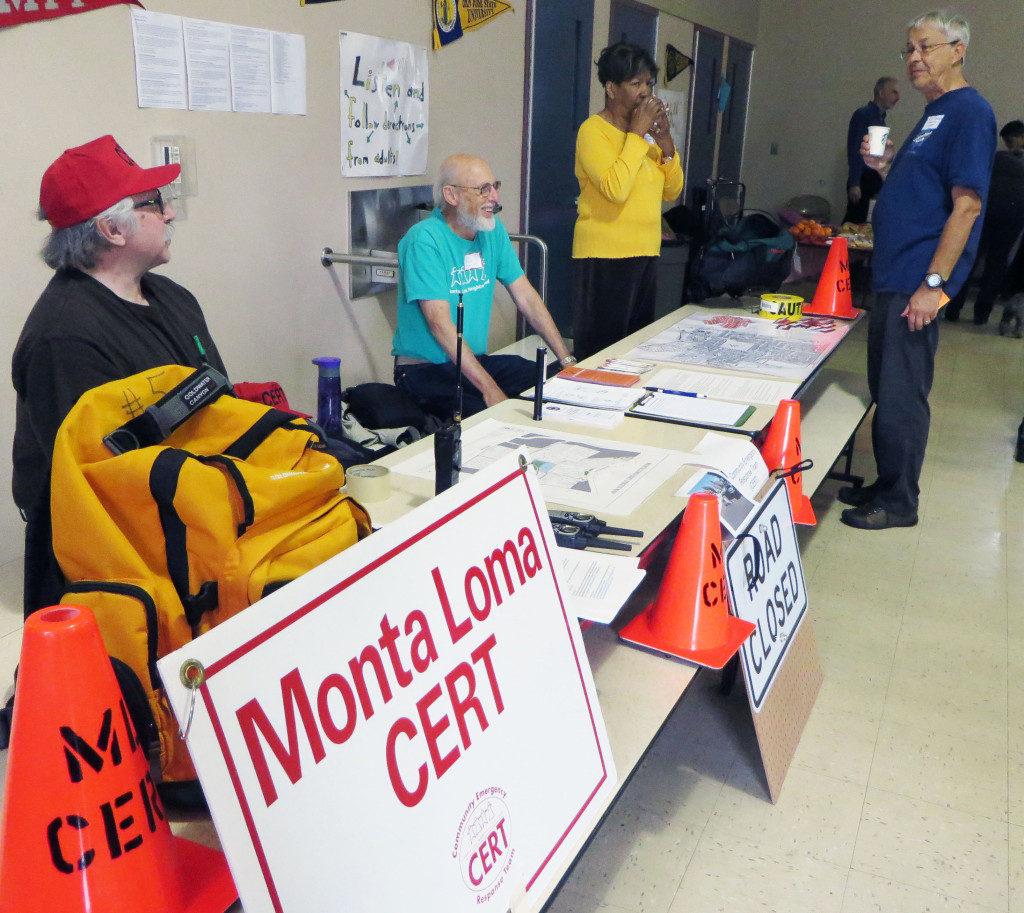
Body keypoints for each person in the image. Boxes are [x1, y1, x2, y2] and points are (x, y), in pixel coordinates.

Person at [12, 135, 227, 616]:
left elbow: (218, 401)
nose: (170, 214)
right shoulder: (64, 339)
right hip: (117, 564)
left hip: (194, 517)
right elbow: (103, 485)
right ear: (112, 229)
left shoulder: (171, 296)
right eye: (155, 204)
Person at [838, 11, 996, 531]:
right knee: (888, 387)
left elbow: (967, 206)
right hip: (894, 274)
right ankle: (887, 483)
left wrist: (934, 286)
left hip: (916, 281)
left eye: (926, 47)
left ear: (958, 49)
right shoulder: (934, 114)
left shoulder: (969, 112)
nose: (914, 58)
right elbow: (923, 190)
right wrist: (884, 170)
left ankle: (900, 501)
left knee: (904, 394)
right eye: (908, 50)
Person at [392, 153, 573, 419]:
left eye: (494, 187)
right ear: (451, 196)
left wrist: (566, 361)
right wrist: (489, 389)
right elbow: (440, 324)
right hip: (425, 370)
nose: (495, 198)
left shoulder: (492, 231)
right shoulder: (424, 240)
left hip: (472, 361)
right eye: (482, 190)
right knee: (489, 416)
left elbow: (527, 299)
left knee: (553, 383)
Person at [571, 42, 684, 361]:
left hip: (645, 252)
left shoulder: (645, 138)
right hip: (604, 255)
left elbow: (673, 190)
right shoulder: (593, 132)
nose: (644, 91)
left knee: (633, 352)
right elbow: (615, 188)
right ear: (611, 88)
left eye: (648, 83)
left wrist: (665, 145)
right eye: (635, 83)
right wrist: (636, 136)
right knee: (601, 353)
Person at [944, 119, 1024, 325]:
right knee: (996, 265)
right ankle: (982, 314)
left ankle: (953, 308)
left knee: (970, 259)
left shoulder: (996, 159)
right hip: (1013, 219)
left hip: (986, 215)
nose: (1008, 145)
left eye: (1009, 140)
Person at [843, 76, 900, 224]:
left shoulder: (879, 119)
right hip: (863, 179)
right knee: (855, 221)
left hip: (873, 178)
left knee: (866, 222)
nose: (897, 97)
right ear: (880, 93)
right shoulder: (864, 115)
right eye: (893, 92)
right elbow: (856, 149)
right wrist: (855, 182)